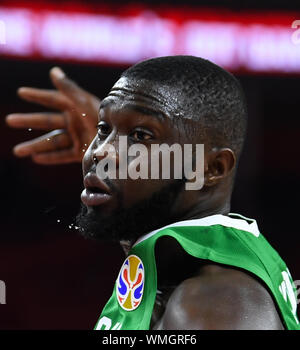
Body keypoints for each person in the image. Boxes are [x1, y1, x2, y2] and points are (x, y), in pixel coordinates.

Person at [6, 56, 300, 330]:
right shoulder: (184, 265)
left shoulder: (215, 306)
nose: (101, 151)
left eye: (142, 136)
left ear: (211, 168)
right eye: (103, 128)